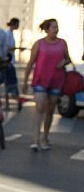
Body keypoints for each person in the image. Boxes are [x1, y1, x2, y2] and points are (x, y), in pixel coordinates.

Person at [22, 18, 73, 151]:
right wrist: (25, 81)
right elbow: (31, 62)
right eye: (53, 27)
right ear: (47, 29)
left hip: (56, 80)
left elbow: (68, 58)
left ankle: (45, 137)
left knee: (50, 109)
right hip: (41, 80)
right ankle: (35, 138)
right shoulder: (39, 44)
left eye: (57, 27)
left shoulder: (62, 43)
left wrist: (64, 62)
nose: (56, 29)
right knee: (39, 108)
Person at [3, 18, 25, 111]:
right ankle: (10, 103)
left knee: (10, 83)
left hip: (10, 62)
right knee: (9, 83)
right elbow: (7, 47)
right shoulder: (7, 34)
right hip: (8, 62)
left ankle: (12, 102)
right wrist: (18, 48)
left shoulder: (11, 34)